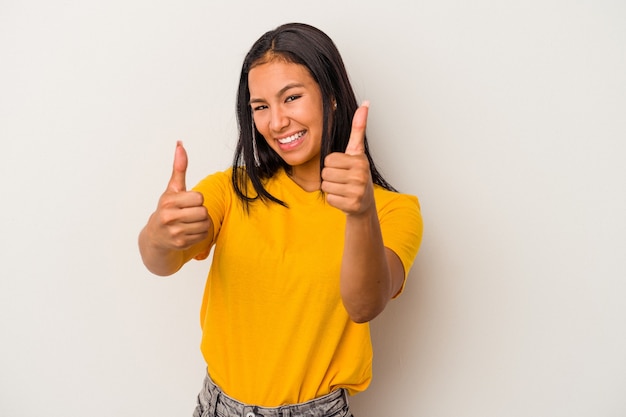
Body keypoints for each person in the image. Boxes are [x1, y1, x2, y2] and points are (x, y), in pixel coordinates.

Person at [138, 22, 423, 417]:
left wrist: (359, 215)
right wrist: (159, 233)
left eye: (291, 98)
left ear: (333, 97)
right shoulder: (230, 190)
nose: (275, 122)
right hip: (219, 406)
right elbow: (160, 262)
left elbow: (365, 305)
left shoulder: (392, 210)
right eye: (260, 107)